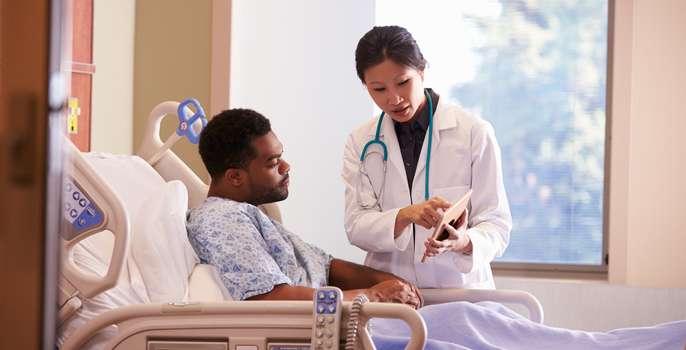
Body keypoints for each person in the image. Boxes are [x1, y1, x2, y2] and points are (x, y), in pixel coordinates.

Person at [186, 108, 423, 309]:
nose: (286, 167)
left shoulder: (250, 215)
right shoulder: (223, 220)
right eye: (273, 163)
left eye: (282, 156)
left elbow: (326, 267)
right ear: (235, 176)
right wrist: (375, 296)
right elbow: (272, 299)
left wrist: (387, 281)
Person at [342, 25, 511, 289]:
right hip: (392, 294)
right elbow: (356, 226)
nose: (394, 99)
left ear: (421, 71)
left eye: (402, 82)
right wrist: (405, 215)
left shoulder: (473, 133)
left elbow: (496, 224)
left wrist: (463, 242)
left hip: (459, 293)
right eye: (378, 89)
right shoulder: (361, 142)